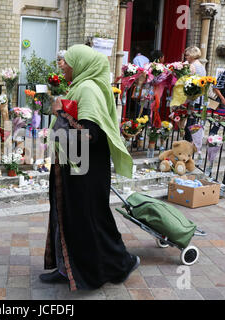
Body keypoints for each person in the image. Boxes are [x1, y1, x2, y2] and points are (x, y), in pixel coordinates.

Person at [40, 44, 140, 291]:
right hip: (73, 167)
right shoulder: (79, 86)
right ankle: (69, 270)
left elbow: (89, 134)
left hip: (85, 171)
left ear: (81, 64)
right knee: (70, 219)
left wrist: (61, 113)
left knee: (91, 220)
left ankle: (121, 264)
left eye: (68, 61)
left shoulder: (88, 89)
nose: (63, 64)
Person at [183, 46, 206, 143]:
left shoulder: (192, 66)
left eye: (187, 55)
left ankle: (188, 143)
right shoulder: (201, 66)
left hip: (192, 97)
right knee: (194, 121)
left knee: (190, 122)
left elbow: (187, 81)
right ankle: (192, 142)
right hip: (199, 98)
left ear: (192, 55)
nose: (186, 57)